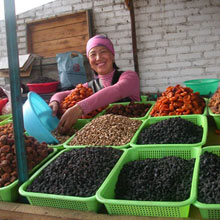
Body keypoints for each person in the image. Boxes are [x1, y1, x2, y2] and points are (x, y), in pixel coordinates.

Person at [49, 34, 140, 134]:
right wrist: (55, 102)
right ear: (89, 62)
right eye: (93, 54)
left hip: (134, 132)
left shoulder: (130, 77)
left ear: (112, 56)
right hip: (106, 136)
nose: (98, 58)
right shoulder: (89, 87)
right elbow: (62, 94)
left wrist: (80, 108)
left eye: (103, 52)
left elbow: (116, 90)